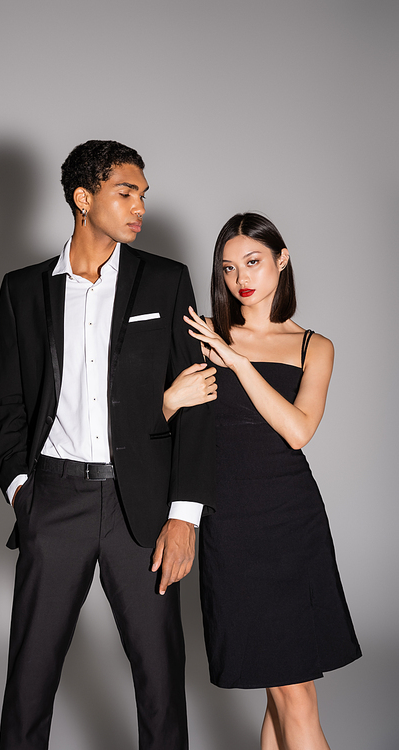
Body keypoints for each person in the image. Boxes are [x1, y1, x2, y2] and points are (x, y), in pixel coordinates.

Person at [0, 140, 216, 750]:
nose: (140, 206)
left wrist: (184, 516)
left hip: (138, 508)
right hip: (53, 499)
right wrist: (21, 492)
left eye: (143, 193)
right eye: (126, 192)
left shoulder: (166, 281)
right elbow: (7, 403)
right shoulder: (23, 290)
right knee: (29, 681)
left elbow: (196, 403)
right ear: (82, 199)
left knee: (161, 680)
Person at [163, 212, 361, 750]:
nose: (241, 278)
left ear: (282, 259)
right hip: (230, 527)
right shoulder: (202, 336)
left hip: (292, 524)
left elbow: (298, 431)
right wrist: (166, 401)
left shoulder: (314, 347)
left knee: (293, 696)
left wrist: (239, 363)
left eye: (252, 262)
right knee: (279, 697)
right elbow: (162, 432)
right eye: (228, 269)